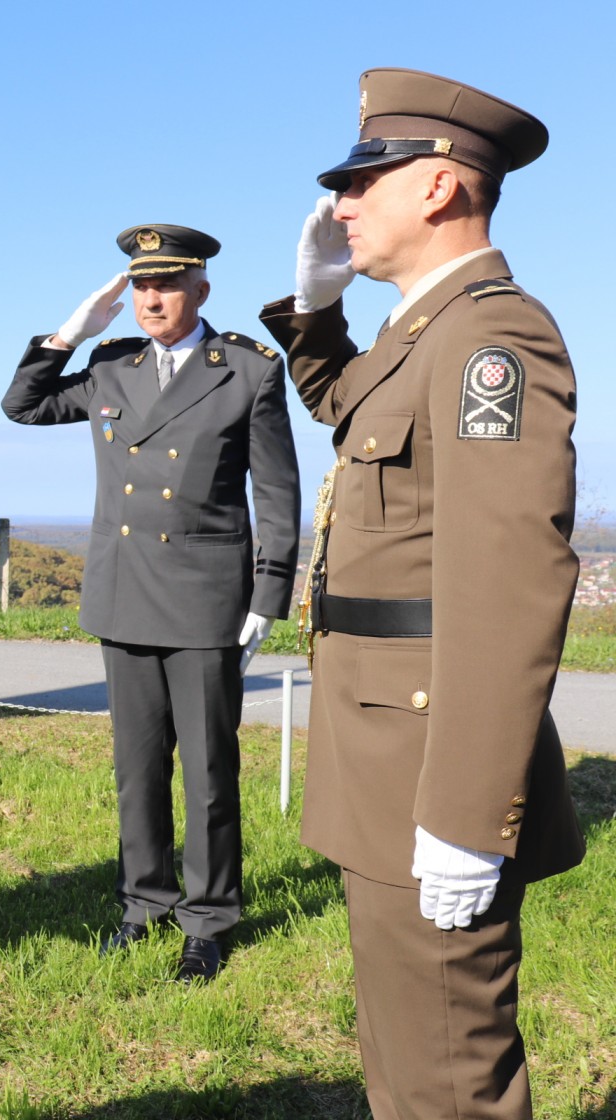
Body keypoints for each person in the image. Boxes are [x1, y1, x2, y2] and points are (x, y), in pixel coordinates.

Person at [258, 69, 584, 1118]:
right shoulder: (418, 332)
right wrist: (316, 306)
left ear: (440, 187)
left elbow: (510, 585)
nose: (341, 204)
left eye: (364, 178)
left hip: (429, 763)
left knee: (446, 1076)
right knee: (404, 1052)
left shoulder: (493, 338)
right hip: (383, 749)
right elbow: (342, 402)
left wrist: (465, 813)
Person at [2, 225, 300, 982]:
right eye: (138, 287)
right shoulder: (111, 365)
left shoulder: (245, 370)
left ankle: (208, 919)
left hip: (206, 599)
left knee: (207, 769)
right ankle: (143, 903)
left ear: (200, 290)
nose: (149, 299)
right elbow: (23, 407)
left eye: (164, 285)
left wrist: (268, 592)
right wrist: (73, 330)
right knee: (136, 768)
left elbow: (275, 492)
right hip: (125, 591)